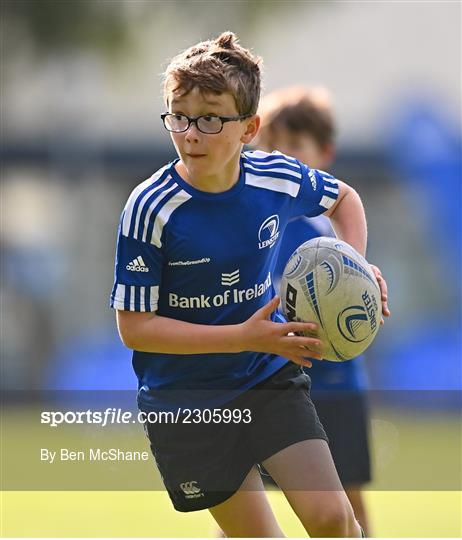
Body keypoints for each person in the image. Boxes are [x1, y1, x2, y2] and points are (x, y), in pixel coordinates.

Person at [110, 32, 390, 538]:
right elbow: (135, 328)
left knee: (333, 518)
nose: (191, 133)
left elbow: (344, 198)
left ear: (250, 127)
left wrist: (356, 267)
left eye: (211, 118)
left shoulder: (276, 178)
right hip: (184, 399)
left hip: (266, 379)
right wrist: (243, 334)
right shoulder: (150, 208)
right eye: (179, 115)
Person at [255, 85, 375, 534]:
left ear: (324, 153)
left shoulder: (334, 234)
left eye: (293, 146)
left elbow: (358, 303)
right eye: (269, 146)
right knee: (244, 502)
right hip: (271, 381)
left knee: (349, 504)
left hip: (337, 385)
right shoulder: (258, 227)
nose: (279, 157)